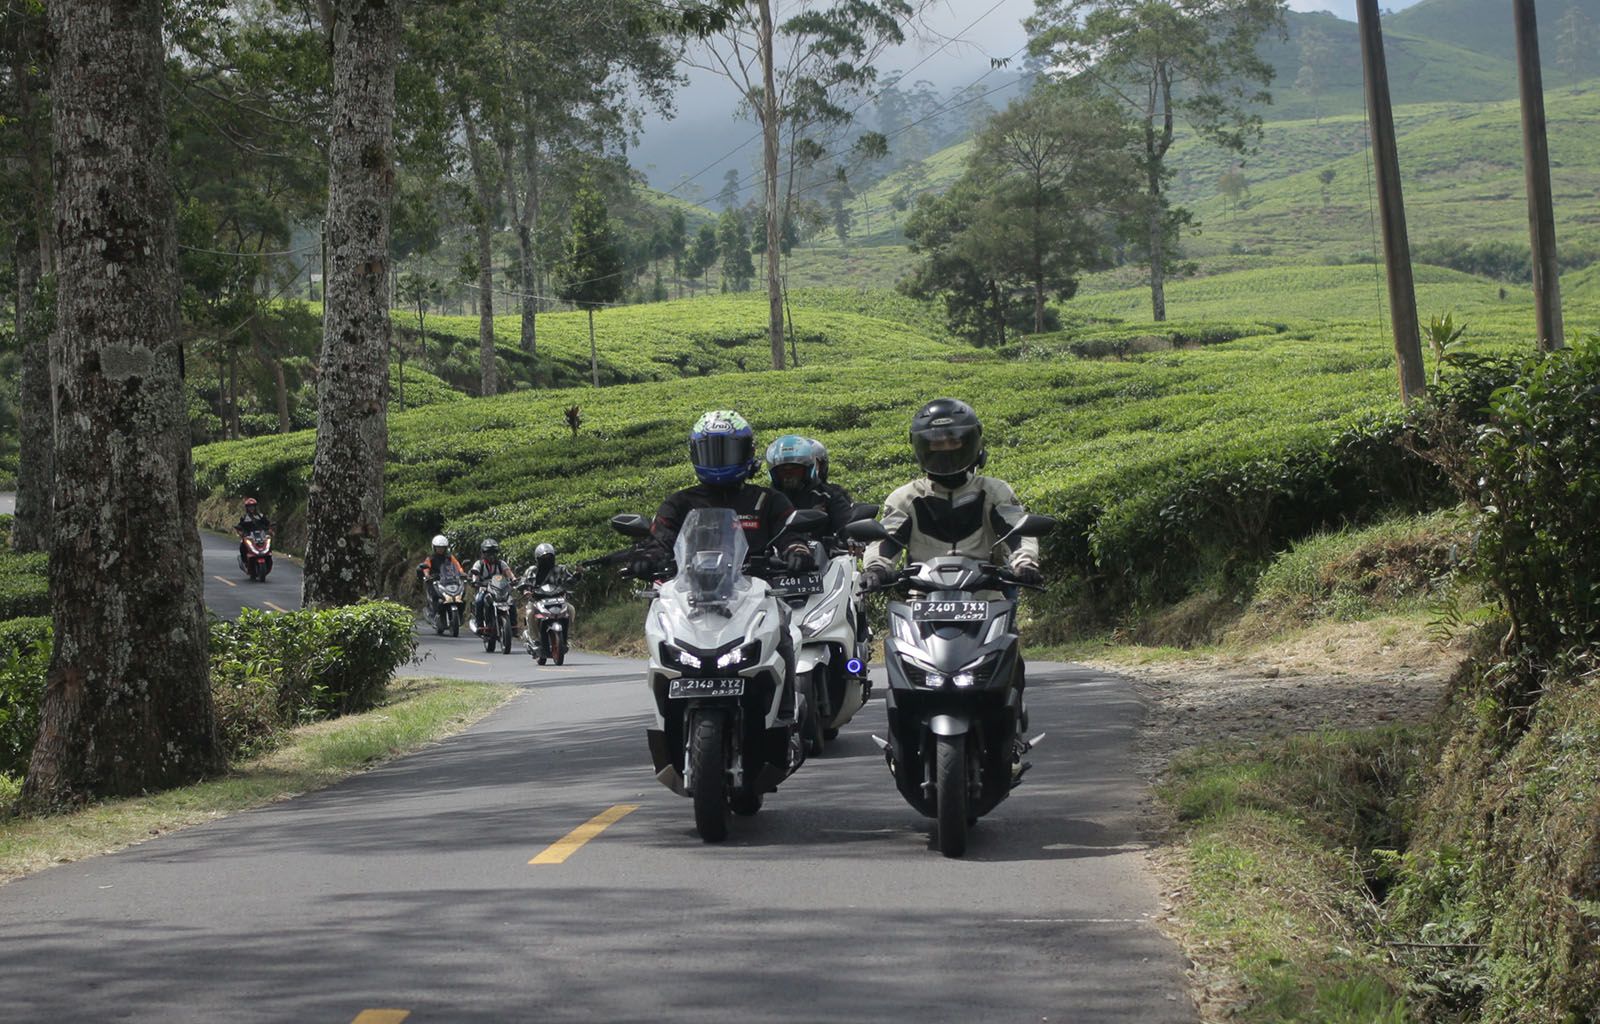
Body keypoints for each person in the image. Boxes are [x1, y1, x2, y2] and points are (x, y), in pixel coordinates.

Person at [861, 398, 1043, 738]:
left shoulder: (994, 491)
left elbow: (1018, 534)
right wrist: (875, 568)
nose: (944, 450)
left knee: (1010, 658)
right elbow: (885, 542)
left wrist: (1024, 563)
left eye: (953, 441)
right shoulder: (905, 498)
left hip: (986, 597)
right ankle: (902, 734)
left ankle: (1011, 727)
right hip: (922, 603)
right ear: (920, 448)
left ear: (971, 442)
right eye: (935, 443)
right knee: (901, 665)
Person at [634, 410, 814, 723]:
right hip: (690, 596)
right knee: (662, 638)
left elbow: (792, 534)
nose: (718, 459)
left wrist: (797, 551)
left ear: (746, 452)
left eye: (727, 450)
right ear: (695, 453)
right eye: (710, 451)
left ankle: (785, 714)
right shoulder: (679, 503)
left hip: (754, 593)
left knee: (784, 629)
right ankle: (667, 719)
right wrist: (646, 557)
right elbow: (659, 539)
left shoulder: (767, 500)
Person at [764, 434, 851, 535]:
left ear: (808, 469)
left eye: (795, 469)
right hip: (777, 549)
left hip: (820, 549)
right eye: (783, 470)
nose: (788, 475)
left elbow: (846, 522)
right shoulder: (765, 500)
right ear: (774, 473)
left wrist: (851, 538)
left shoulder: (827, 496)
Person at [468, 538, 517, 634]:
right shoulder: (479, 564)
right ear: (483, 553)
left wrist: (513, 579)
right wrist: (475, 581)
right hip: (484, 588)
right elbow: (475, 573)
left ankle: (513, 626)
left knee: (511, 602)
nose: (491, 555)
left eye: (493, 552)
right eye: (488, 552)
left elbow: (508, 572)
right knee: (479, 601)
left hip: (500, 589)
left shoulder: (501, 563)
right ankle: (480, 625)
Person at [416, 534, 465, 620]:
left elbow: (457, 565)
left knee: (460, 596)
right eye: (438, 547)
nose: (440, 549)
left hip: (449, 580)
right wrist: (427, 575)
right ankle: (434, 614)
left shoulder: (450, 557)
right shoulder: (431, 558)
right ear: (434, 547)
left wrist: (462, 573)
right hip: (435, 581)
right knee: (435, 596)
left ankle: (460, 615)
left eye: (442, 547)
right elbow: (426, 568)